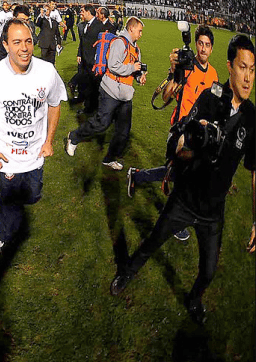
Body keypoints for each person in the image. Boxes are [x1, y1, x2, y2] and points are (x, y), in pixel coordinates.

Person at [110, 35, 255, 325]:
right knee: (152, 241)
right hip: (185, 198)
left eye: (253, 69)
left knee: (209, 270)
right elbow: (179, 144)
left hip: (213, 213)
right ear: (230, 67)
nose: (248, 77)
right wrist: (191, 143)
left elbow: (255, 170)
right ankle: (127, 272)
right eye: (242, 67)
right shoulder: (210, 99)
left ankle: (194, 299)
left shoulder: (252, 118)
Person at [0, 19, 67, 252]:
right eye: (16, 42)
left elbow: (54, 104)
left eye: (28, 41)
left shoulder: (47, 71)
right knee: (9, 203)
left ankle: (0, 187)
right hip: (6, 157)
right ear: (5, 45)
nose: (24, 48)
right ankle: (6, 237)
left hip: (35, 154)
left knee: (33, 196)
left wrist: (49, 140)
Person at [127, 26, 218, 197]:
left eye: (207, 45)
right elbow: (166, 96)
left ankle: (137, 176)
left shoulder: (213, 74)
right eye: (200, 43)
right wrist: (175, 72)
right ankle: (139, 178)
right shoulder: (186, 67)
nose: (203, 48)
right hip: (180, 129)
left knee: (180, 174)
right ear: (196, 45)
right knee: (177, 174)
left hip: (198, 133)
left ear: (212, 48)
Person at [66, 17, 147, 171]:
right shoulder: (119, 43)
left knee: (123, 132)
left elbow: (134, 69)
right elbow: (113, 66)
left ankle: (110, 158)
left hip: (125, 95)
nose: (141, 34)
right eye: (139, 30)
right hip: (110, 91)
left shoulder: (136, 49)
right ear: (131, 29)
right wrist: (132, 68)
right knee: (101, 123)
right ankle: (74, 137)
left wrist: (139, 76)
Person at [74, 4, 109, 114]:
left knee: (93, 87)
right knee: (86, 85)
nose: (81, 13)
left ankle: (93, 108)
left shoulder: (99, 26)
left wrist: (97, 60)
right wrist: (79, 54)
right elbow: (82, 42)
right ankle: (88, 106)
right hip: (84, 61)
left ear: (89, 12)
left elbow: (102, 46)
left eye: (83, 11)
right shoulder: (85, 25)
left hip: (93, 62)